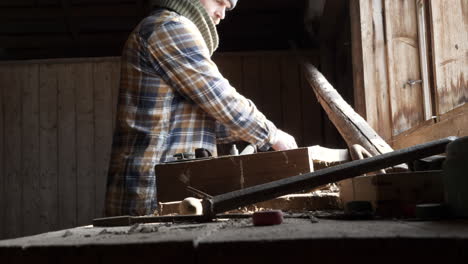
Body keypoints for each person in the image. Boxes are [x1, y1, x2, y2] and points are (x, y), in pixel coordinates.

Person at [105, 0, 298, 216]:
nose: (222, 14)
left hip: (163, 189)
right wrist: (271, 135)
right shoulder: (168, 28)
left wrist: (255, 135)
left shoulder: (171, 29)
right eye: (220, 2)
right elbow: (220, 98)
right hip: (149, 193)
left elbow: (205, 119)